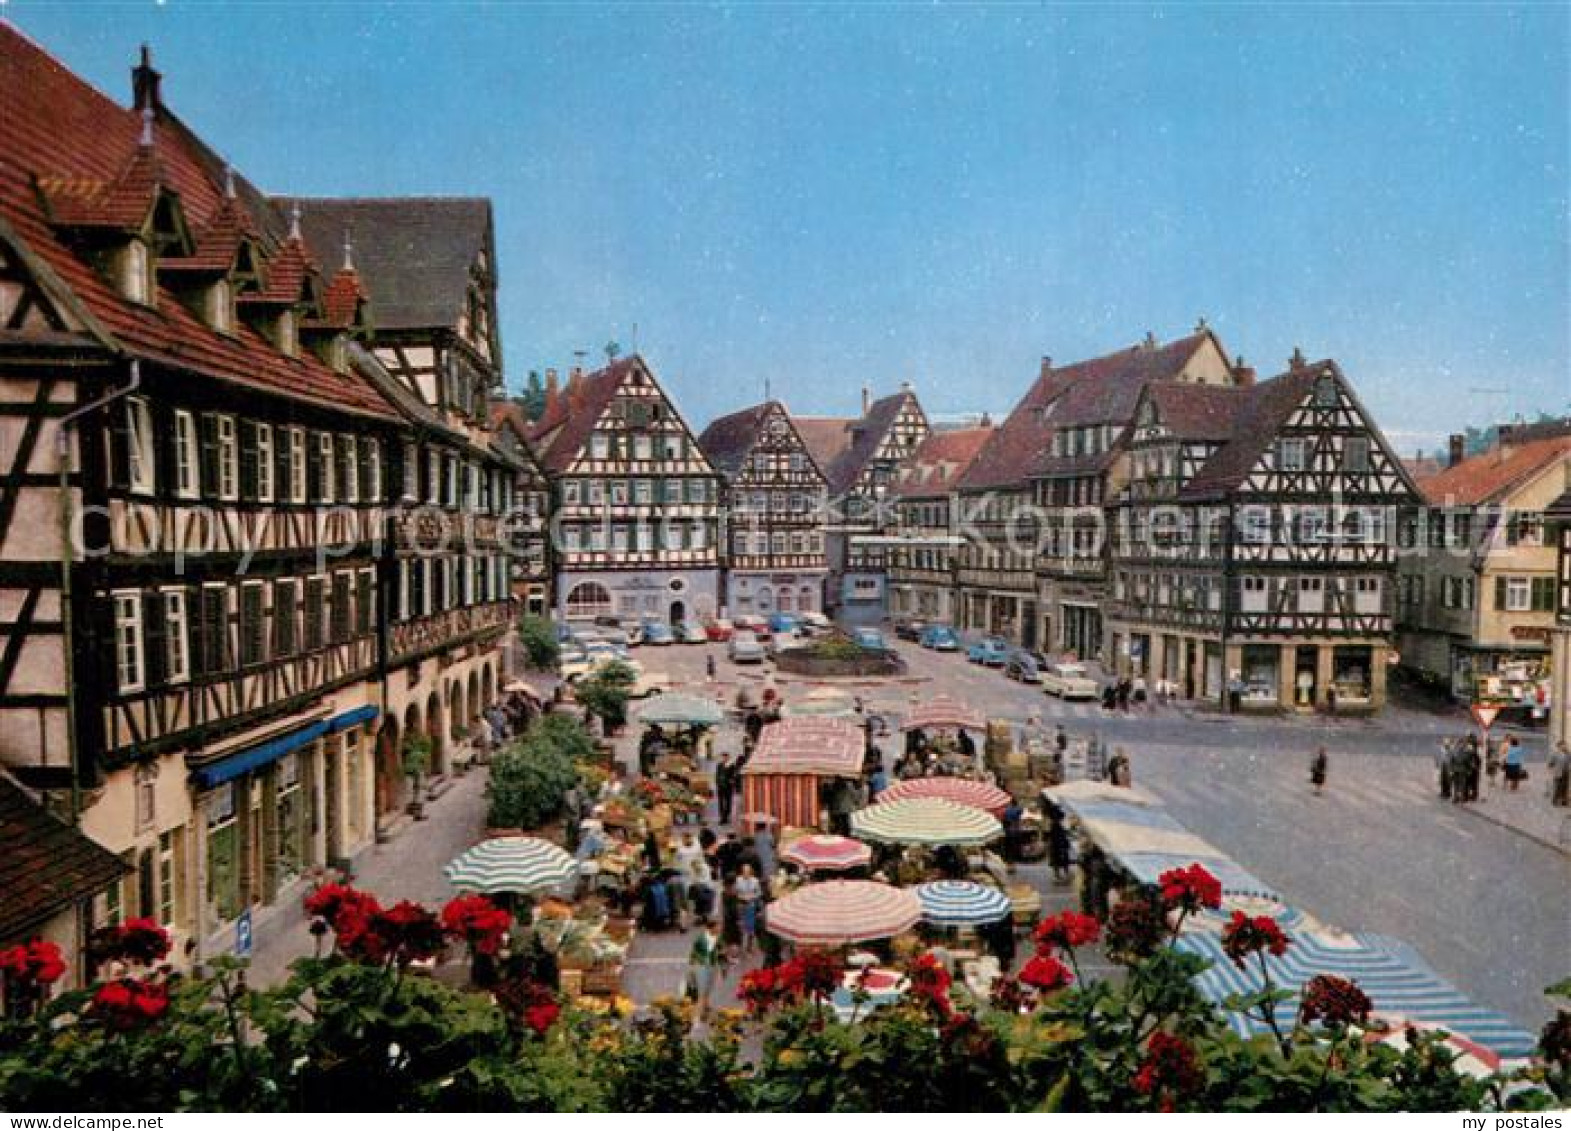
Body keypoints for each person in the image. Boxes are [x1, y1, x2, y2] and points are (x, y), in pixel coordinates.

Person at [686, 922, 725, 1017]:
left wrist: (721, 958)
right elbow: (694, 951)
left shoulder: (717, 938)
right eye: (717, 927)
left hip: (713, 965)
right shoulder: (701, 939)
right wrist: (692, 966)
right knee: (702, 987)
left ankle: (706, 1004)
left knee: (709, 986)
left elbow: (722, 950)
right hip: (701, 966)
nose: (719, 929)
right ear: (710, 928)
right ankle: (701, 1011)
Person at [734, 865, 763, 954]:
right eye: (744, 872)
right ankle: (739, 946)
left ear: (750, 872)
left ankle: (749, 947)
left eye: (747, 872)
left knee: (750, 927)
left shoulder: (755, 881)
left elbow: (759, 893)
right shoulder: (738, 880)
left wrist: (752, 896)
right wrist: (741, 896)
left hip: (750, 905)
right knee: (741, 926)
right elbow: (735, 892)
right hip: (741, 905)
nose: (745, 874)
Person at [1047, 809, 1072, 884]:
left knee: (1056, 861)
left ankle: (1057, 875)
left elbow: (1048, 837)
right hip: (1061, 845)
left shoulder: (1052, 826)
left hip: (1055, 846)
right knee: (1063, 860)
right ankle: (1065, 874)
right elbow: (1066, 835)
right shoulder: (1060, 826)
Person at [1001, 796, 1023, 863]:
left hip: (1007, 830)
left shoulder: (1007, 810)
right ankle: (1015, 857)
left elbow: (1004, 818)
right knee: (1015, 844)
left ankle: (1008, 858)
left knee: (1008, 845)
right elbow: (1021, 813)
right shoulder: (1018, 809)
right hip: (1015, 830)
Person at [1550, 742, 1570, 808]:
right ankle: (1555, 800)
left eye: (1565, 745)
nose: (1564, 746)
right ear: (1558, 746)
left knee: (1565, 787)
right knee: (1558, 787)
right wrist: (1551, 767)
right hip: (1558, 772)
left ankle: (1564, 801)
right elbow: (1551, 763)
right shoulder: (1555, 754)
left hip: (1566, 772)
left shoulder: (1568, 753)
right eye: (1562, 745)